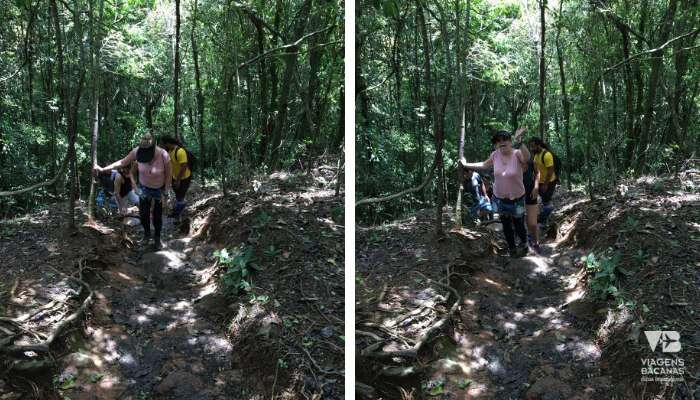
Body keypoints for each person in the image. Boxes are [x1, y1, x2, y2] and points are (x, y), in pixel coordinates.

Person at [460, 127, 530, 258]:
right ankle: (512, 248)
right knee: (506, 225)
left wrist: (520, 141)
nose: (501, 142)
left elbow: (527, 158)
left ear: (510, 141)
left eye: (505, 139)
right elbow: (483, 165)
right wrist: (466, 164)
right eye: (498, 140)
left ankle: (524, 244)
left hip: (517, 198)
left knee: (519, 223)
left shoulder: (517, 154)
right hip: (500, 198)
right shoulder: (495, 155)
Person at [94, 133, 171, 250]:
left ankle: (157, 238)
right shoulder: (137, 151)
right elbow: (122, 163)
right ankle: (146, 235)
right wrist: (103, 169)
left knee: (157, 216)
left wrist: (165, 193)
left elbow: (169, 175)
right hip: (144, 189)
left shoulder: (163, 155)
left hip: (158, 190)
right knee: (144, 214)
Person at [160, 136, 192, 218]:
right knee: (178, 195)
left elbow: (184, 167)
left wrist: (178, 180)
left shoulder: (180, 151)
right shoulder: (170, 151)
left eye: (163, 144)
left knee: (180, 197)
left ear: (168, 143)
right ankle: (179, 212)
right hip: (175, 177)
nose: (163, 146)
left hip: (184, 178)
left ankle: (176, 214)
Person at [528, 137, 558, 225]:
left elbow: (550, 171)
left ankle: (543, 220)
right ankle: (545, 220)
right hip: (540, 182)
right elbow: (536, 170)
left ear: (538, 145)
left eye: (533, 146)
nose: (531, 148)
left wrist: (546, 184)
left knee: (547, 203)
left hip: (549, 182)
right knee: (544, 201)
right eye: (531, 147)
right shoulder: (536, 155)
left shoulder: (547, 155)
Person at [522, 151, 542, 254]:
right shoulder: (512, 163)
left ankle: (536, 242)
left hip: (531, 192)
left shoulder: (531, 161)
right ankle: (527, 240)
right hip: (517, 194)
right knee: (521, 220)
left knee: (533, 222)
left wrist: (536, 186)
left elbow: (538, 172)